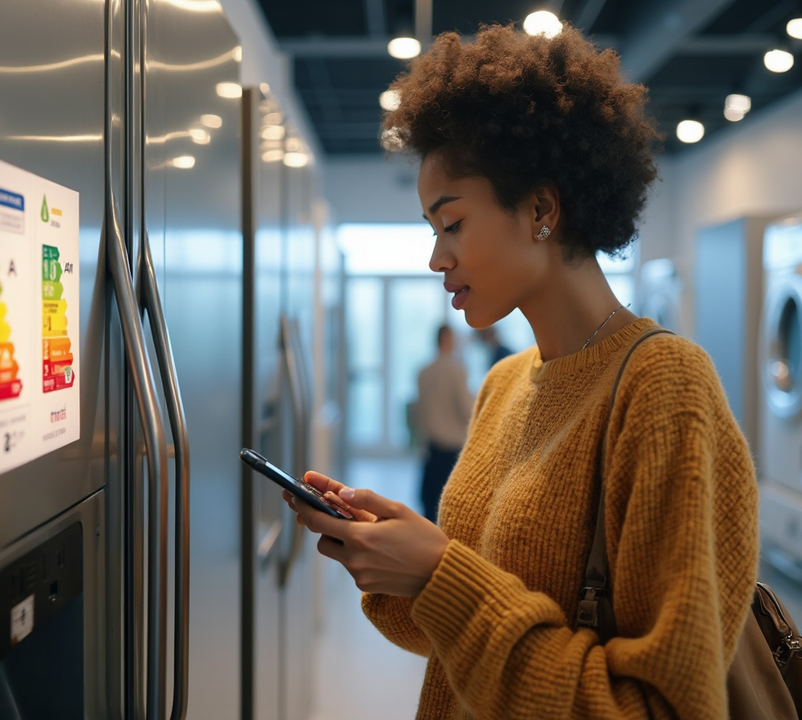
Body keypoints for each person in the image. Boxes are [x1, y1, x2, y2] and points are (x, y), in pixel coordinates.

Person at [283, 22, 758, 719]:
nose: (435, 258)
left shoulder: (664, 389)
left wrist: (440, 574)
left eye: (451, 224)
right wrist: (395, 558)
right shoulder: (506, 383)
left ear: (540, 208)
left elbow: (663, 707)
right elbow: (468, 637)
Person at [415, 324, 474, 523]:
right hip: (452, 451)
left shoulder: (423, 372)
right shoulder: (456, 371)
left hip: (431, 450)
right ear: (448, 340)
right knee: (450, 511)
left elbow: (420, 411)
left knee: (429, 508)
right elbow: (467, 410)